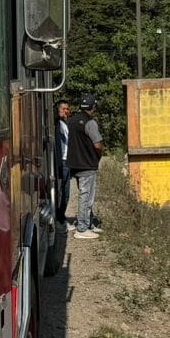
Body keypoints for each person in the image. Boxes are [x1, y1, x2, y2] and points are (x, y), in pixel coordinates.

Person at [68, 94, 104, 240]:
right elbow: (98, 144)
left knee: (84, 194)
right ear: (93, 107)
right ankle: (82, 228)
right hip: (87, 163)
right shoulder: (90, 123)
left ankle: (88, 223)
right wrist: (98, 157)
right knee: (87, 197)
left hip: (74, 163)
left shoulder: (71, 121)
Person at [55, 100, 73, 224]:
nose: (65, 111)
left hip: (68, 160)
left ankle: (62, 215)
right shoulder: (56, 123)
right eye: (63, 108)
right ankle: (58, 217)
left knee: (66, 191)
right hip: (60, 160)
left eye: (67, 109)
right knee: (60, 190)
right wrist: (58, 115)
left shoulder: (66, 124)